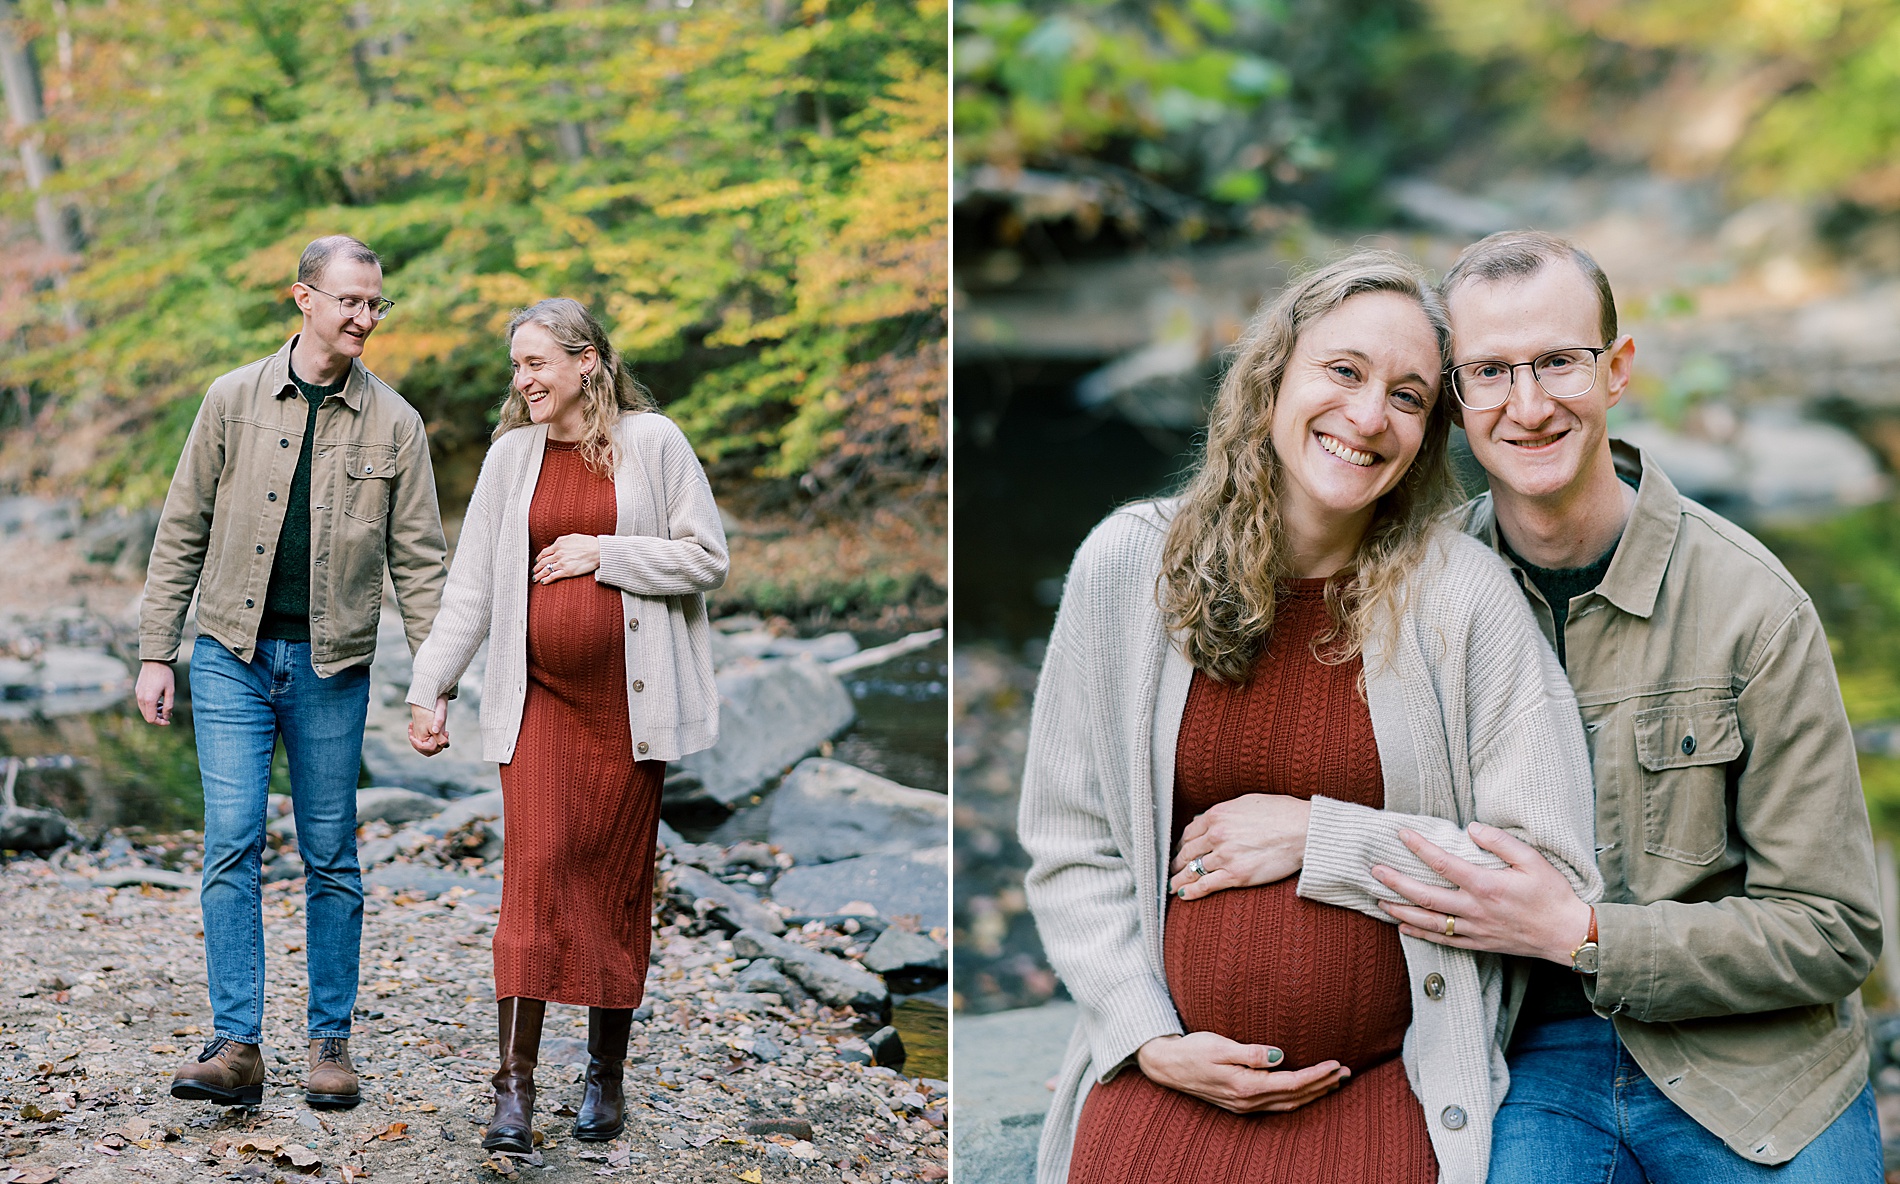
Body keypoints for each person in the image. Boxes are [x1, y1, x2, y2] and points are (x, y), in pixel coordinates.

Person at [1019, 249, 1603, 1184]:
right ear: (1271, 379)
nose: (1368, 417)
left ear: (1429, 432)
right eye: (1343, 372)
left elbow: (1553, 865)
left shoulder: (1459, 596)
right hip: (1172, 1073)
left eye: (1409, 397)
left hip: (1389, 1078)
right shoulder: (1129, 566)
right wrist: (1143, 1035)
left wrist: (1323, 840)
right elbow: (1071, 840)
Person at [1364, 230, 1884, 1180]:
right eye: (1489, 371)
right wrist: (1291, 828)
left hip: (1753, 1063)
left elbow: (1833, 929)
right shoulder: (1415, 599)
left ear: (1618, 370)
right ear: (1454, 400)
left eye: (1559, 362)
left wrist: (1582, 935)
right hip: (1527, 1062)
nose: (1528, 406)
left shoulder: (1755, 608)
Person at [403, 297, 727, 1152]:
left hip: (630, 709)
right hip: (536, 698)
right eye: (518, 366)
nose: (524, 380)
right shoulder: (512, 457)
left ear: (588, 361)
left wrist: (602, 552)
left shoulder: (653, 444)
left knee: (614, 885)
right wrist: (430, 683)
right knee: (535, 872)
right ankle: (512, 1089)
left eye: (537, 362)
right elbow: (471, 585)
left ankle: (605, 1075)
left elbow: (707, 558)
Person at [136, 234, 448, 1109]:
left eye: (376, 303)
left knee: (330, 855)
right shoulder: (231, 400)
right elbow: (182, 528)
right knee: (231, 842)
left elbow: (420, 565)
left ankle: (330, 1045)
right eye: (351, 300)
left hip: (333, 665)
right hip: (229, 657)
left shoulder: (397, 424)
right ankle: (236, 1046)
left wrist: (434, 681)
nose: (366, 317)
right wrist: (157, 650)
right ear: (303, 298)